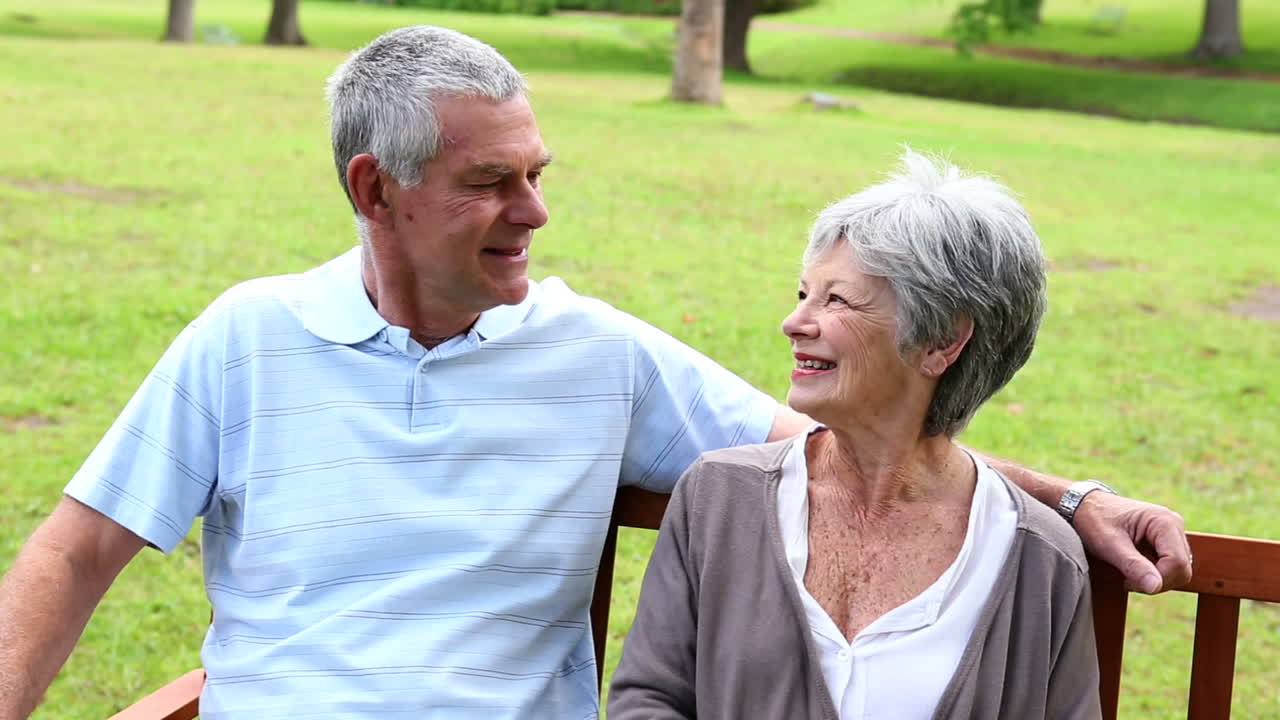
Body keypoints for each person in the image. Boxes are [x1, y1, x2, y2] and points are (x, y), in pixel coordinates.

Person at [0, 26, 1186, 720]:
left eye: (535, 170)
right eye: (491, 185)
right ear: (375, 191)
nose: (535, 210)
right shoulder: (243, 338)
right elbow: (72, 552)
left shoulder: (598, 355)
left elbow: (859, 443)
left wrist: (1070, 503)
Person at [609, 152, 1101, 719]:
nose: (794, 324)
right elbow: (649, 700)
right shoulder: (720, 498)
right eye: (803, 295)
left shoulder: (1037, 560)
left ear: (942, 341)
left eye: (836, 300)